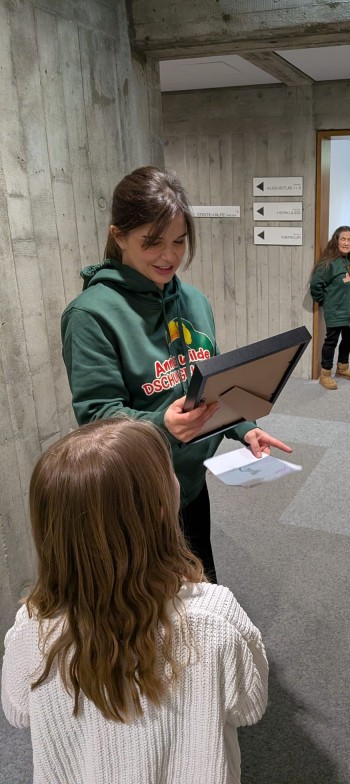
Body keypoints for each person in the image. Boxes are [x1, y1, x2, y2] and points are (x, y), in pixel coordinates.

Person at [1, 418, 268, 784]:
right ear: (161, 507)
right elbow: (250, 705)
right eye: (170, 471)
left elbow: (18, 712)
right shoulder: (216, 616)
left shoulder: (30, 628)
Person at [61, 166, 291, 582]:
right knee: (148, 616)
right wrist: (160, 426)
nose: (169, 256)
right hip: (134, 496)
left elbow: (214, 382)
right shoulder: (91, 315)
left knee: (202, 593)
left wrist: (246, 429)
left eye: (180, 241)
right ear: (119, 236)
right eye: (152, 243)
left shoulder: (195, 302)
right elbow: (96, 419)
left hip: (189, 485)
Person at [310, 225, 350, 390]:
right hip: (335, 311)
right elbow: (316, 284)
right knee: (331, 341)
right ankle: (325, 373)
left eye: (349, 239)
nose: (346, 243)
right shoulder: (329, 263)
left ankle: (343, 368)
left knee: (348, 339)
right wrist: (325, 301)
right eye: (343, 239)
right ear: (336, 240)